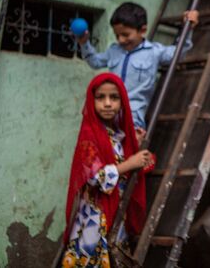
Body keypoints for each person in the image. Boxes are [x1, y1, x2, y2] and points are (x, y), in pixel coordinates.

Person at [62, 73, 152, 267]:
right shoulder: (89, 135)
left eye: (114, 97)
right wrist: (130, 163)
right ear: (91, 101)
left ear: (122, 101)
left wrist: (134, 146)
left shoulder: (117, 136)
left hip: (116, 212)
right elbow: (95, 177)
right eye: (101, 97)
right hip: (94, 218)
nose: (108, 103)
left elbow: (130, 166)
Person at [77, 2, 199, 136]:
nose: (121, 40)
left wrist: (188, 29)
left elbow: (178, 54)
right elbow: (95, 62)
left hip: (133, 118)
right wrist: (84, 43)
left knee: (129, 150)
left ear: (142, 30)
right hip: (109, 114)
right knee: (104, 151)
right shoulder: (113, 51)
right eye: (117, 35)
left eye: (125, 34)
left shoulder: (153, 52)